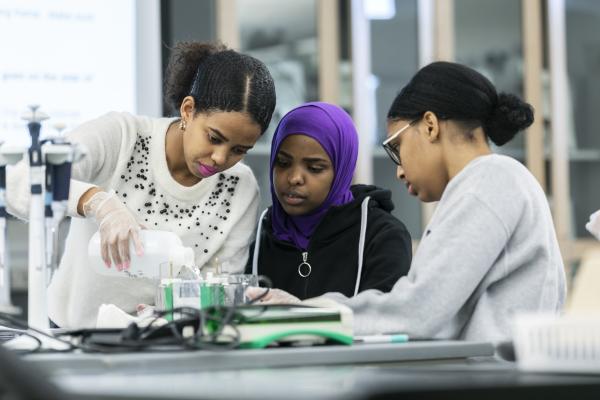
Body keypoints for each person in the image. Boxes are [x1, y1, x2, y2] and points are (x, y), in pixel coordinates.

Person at [249, 62, 566, 342]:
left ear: (430, 125)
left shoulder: (490, 180)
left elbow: (419, 311)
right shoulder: (489, 182)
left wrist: (303, 314)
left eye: (398, 146)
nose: (399, 170)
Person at [7, 41, 276, 328]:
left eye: (239, 150)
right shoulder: (122, 138)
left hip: (160, 343)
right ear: (188, 110)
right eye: (214, 137)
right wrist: (99, 203)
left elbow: (216, 298)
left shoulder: (240, 189)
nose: (221, 158)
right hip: (69, 334)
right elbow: (20, 183)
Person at [246, 102, 412, 299]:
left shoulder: (382, 236)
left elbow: (383, 320)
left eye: (315, 168)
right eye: (282, 163)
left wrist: (304, 314)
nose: (294, 178)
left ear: (342, 171)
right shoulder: (263, 232)